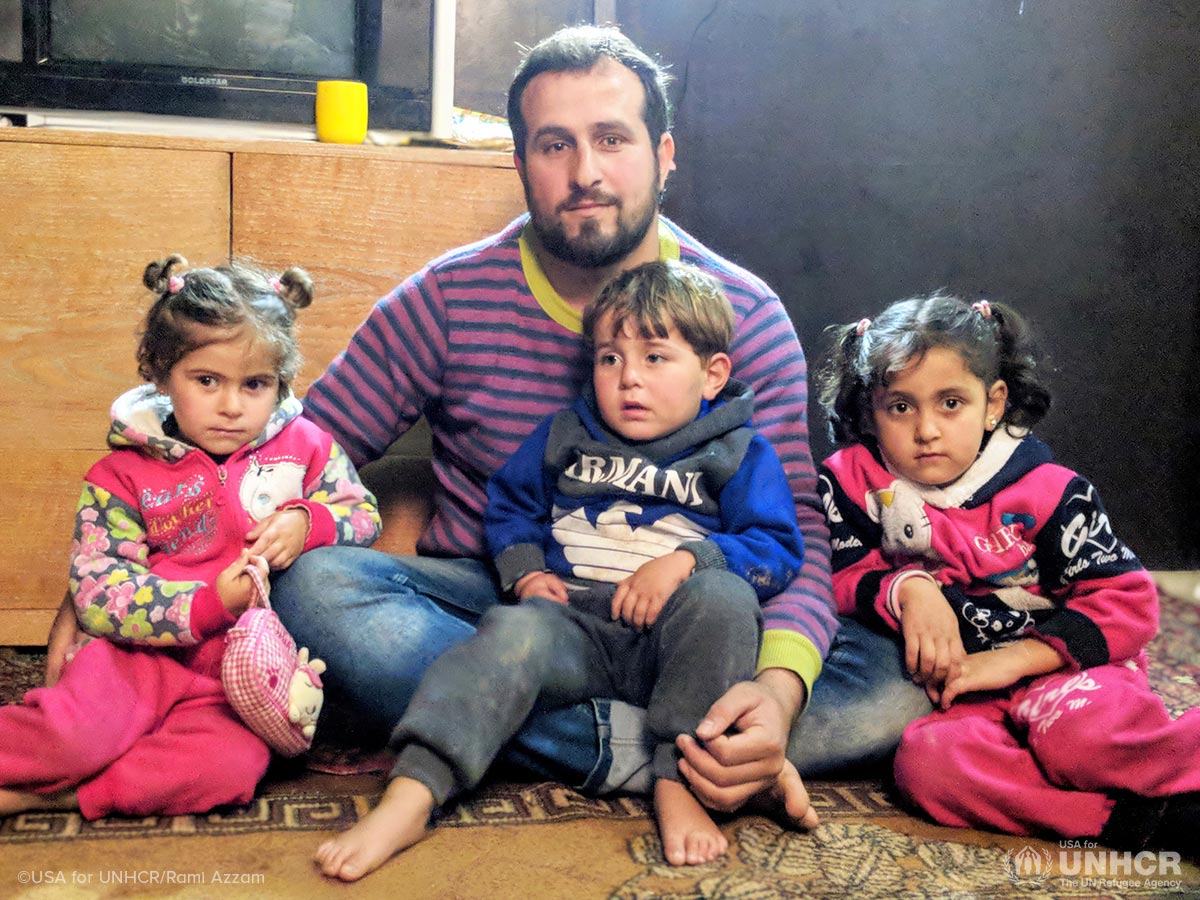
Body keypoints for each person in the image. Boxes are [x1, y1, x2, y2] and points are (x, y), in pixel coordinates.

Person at [207, 24, 929, 810]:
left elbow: (797, 534)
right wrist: (112, 584)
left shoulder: (744, 315)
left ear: (665, 153)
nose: (586, 172)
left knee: (893, 687)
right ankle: (665, 755)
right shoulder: (444, 301)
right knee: (317, 590)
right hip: (519, 607)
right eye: (555, 146)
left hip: (699, 622)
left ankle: (531, 730)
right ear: (520, 164)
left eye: (612, 138)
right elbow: (286, 459)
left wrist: (782, 693)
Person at [315, 259, 821, 880]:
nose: (629, 379)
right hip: (575, 629)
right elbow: (510, 507)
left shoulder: (740, 452)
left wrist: (690, 560)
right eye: (610, 359)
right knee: (509, 631)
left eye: (655, 358)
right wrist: (526, 574)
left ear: (713, 374)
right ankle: (415, 792)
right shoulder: (565, 435)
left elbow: (777, 546)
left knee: (725, 602)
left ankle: (678, 780)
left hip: (679, 647)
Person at [816, 291, 1200, 855]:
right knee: (927, 767)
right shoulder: (850, 482)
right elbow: (835, 575)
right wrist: (908, 587)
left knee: (1081, 743)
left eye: (951, 403)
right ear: (870, 410)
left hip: (1060, 669)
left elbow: (1127, 603)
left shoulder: (1047, 489)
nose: (926, 430)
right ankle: (1133, 824)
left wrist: (1016, 659)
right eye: (900, 407)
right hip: (963, 694)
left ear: (993, 402)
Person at [1, 255, 382, 820]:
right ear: (160, 374)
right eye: (207, 381)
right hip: (136, 660)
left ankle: (61, 795)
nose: (232, 406)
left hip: (240, 681)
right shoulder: (120, 475)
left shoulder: (307, 445)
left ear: (281, 381)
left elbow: (362, 512)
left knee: (227, 770)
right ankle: (60, 765)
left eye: (255, 384)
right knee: (69, 735)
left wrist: (310, 520)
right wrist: (206, 604)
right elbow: (99, 590)